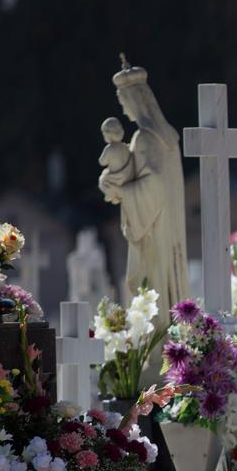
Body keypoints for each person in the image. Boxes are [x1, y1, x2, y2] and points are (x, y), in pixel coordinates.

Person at [97, 55, 189, 320]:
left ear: (135, 100)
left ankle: (157, 340)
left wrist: (119, 190)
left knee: (154, 292)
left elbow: (154, 185)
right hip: (164, 225)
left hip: (153, 228)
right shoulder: (166, 136)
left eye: (124, 102)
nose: (124, 109)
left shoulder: (146, 138)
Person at [98, 117, 132, 192]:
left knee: (102, 179)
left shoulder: (109, 148)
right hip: (128, 176)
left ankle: (111, 194)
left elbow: (102, 162)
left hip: (115, 179)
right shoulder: (125, 147)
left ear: (108, 134)